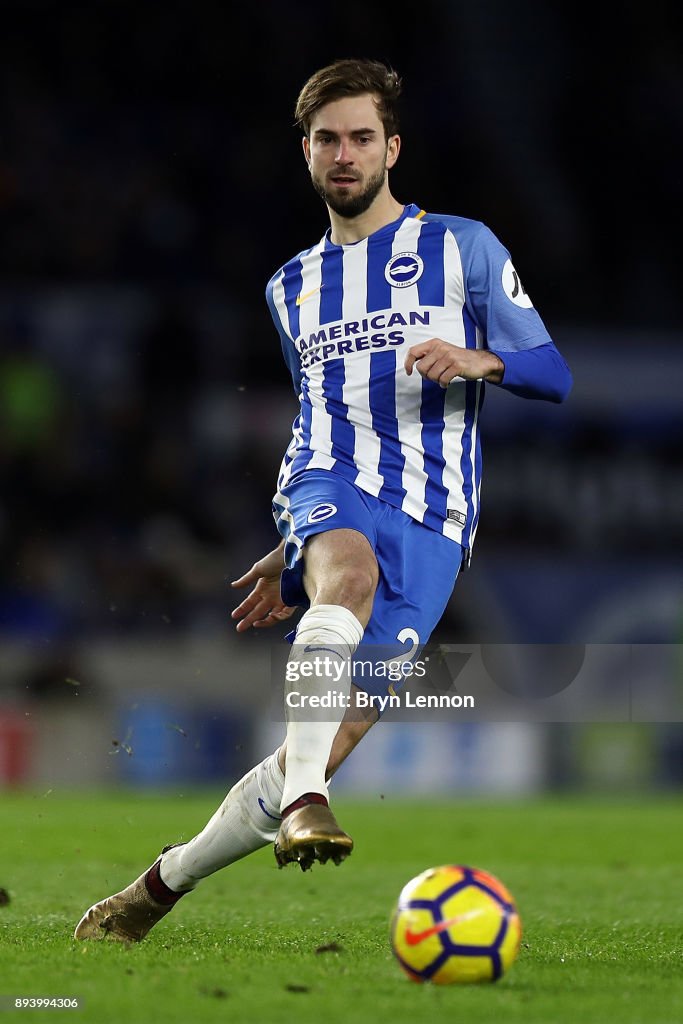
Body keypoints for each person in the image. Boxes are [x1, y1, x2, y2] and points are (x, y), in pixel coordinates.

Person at [74, 58, 571, 942]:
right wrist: (295, 537)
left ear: (392, 149)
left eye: (361, 138)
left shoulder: (463, 247)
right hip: (328, 482)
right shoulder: (289, 287)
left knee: (331, 732)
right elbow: (319, 411)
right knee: (342, 576)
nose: (345, 154)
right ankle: (307, 798)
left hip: (433, 516)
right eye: (327, 139)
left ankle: (159, 885)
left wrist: (477, 360)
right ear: (305, 152)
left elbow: (552, 372)